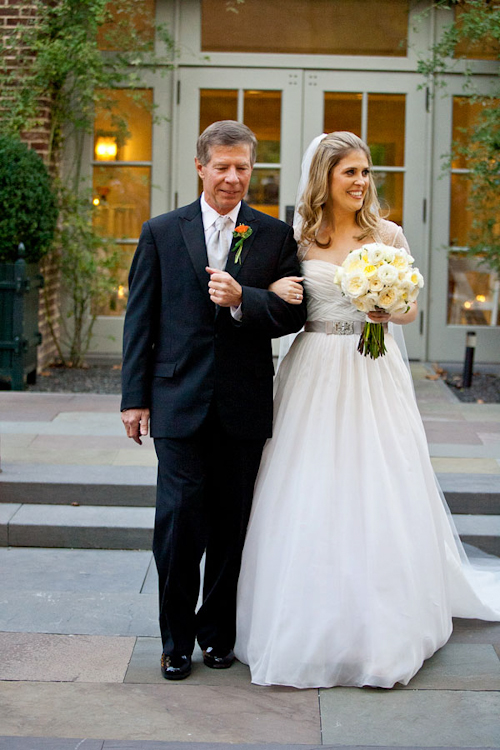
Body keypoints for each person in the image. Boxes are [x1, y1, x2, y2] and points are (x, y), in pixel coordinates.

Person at [234, 131, 500, 689]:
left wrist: (387, 306)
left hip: (371, 369)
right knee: (309, 483)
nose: (360, 182)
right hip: (314, 368)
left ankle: (385, 621)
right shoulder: (299, 236)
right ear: (325, 178)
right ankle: (304, 614)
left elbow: (409, 312)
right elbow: (275, 298)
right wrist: (276, 289)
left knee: (379, 479)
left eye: (365, 172)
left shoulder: (388, 233)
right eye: (349, 172)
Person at [120, 120, 306, 681]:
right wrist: (134, 399)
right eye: (221, 166)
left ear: (253, 170)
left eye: (242, 168)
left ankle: (217, 635)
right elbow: (140, 320)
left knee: (232, 527)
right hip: (177, 401)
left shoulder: (273, 236)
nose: (232, 178)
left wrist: (243, 298)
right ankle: (175, 641)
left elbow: (297, 313)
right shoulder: (160, 231)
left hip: (244, 405)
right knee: (178, 527)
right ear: (200, 167)